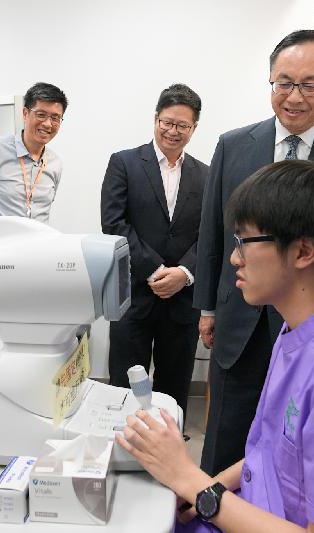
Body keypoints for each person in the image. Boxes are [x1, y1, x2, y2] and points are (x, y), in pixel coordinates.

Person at [117, 160, 314, 533]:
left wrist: (189, 479)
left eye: (244, 242)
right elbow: (270, 453)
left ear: (303, 252)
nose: (234, 258)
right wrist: (206, 487)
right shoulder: (299, 330)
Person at [193, 29, 314, 475]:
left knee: (295, 451)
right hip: (240, 323)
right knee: (225, 440)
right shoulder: (234, 145)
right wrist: (207, 308)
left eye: (310, 85)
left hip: (311, 330)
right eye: (284, 83)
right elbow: (214, 234)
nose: (294, 97)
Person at [100, 83, 208, 417]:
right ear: (156, 118)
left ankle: (169, 440)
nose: (173, 131)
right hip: (133, 296)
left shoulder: (206, 174)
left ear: (194, 128)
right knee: (124, 384)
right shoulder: (124, 163)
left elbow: (210, 233)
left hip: (182, 300)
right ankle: (121, 440)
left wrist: (184, 273)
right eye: (168, 122)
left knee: (174, 386)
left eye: (182, 125)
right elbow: (113, 223)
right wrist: (155, 270)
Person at [0, 82, 68, 223]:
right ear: (25, 113)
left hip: (41, 238)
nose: (48, 124)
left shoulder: (55, 163)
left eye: (55, 118)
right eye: (41, 115)